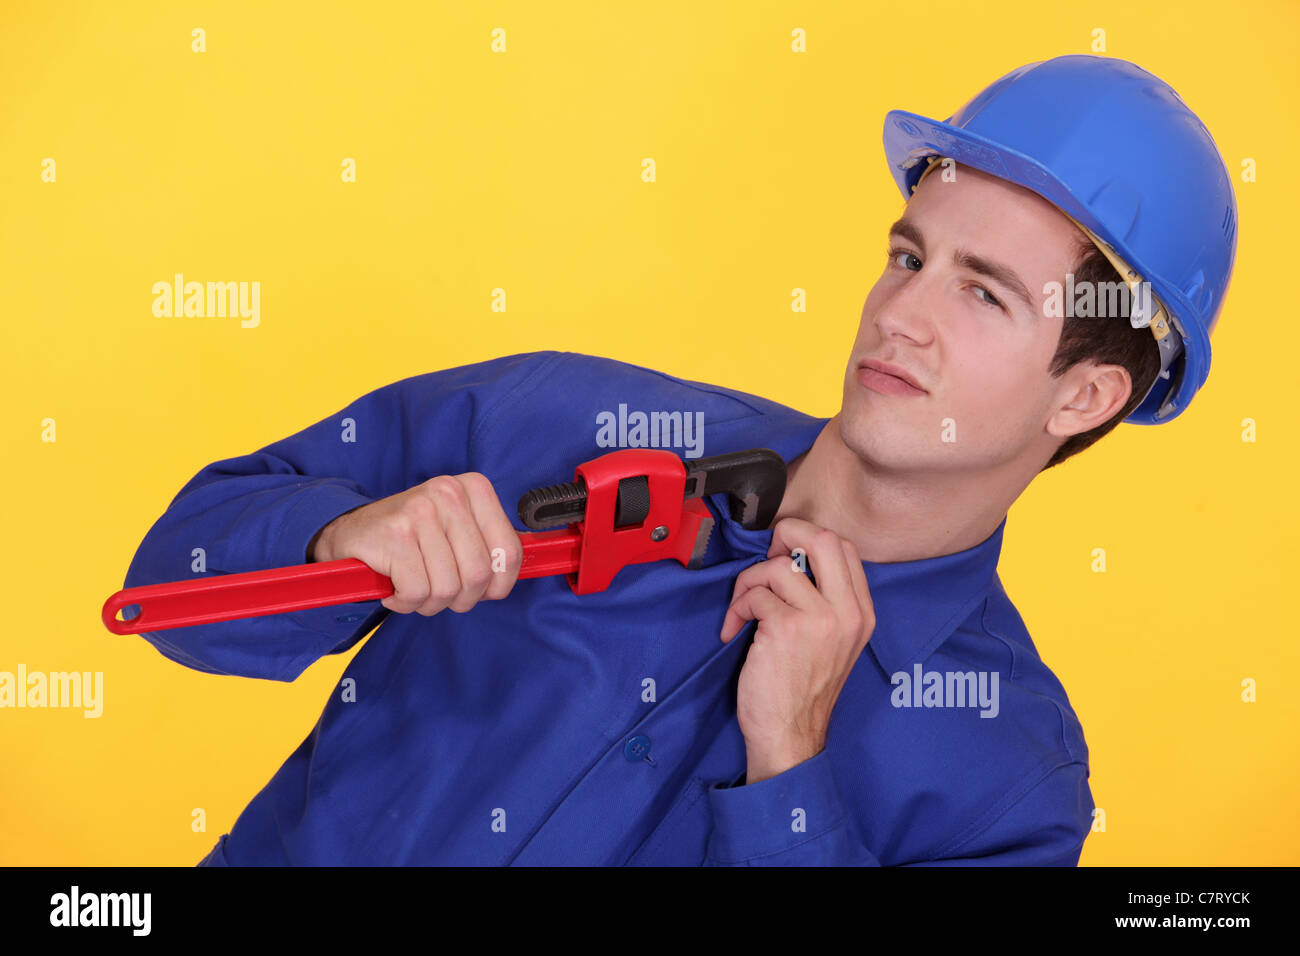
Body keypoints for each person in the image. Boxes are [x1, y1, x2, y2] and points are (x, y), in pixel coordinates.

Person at [120, 54, 1237, 865]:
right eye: (908, 255)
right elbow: (166, 590)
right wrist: (330, 541)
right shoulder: (555, 421)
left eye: (981, 291)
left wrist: (789, 771)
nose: (899, 314)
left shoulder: (1008, 783)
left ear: (1085, 393)